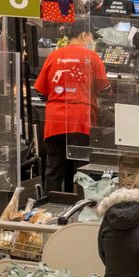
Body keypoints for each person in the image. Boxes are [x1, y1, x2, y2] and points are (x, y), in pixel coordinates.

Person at [34, 25, 110, 192]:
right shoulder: (91, 56)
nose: (92, 41)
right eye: (91, 37)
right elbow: (103, 87)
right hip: (81, 120)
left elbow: (40, 90)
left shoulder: (54, 55)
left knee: (54, 168)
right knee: (83, 169)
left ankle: (48, 208)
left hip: (55, 120)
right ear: (84, 35)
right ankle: (85, 208)